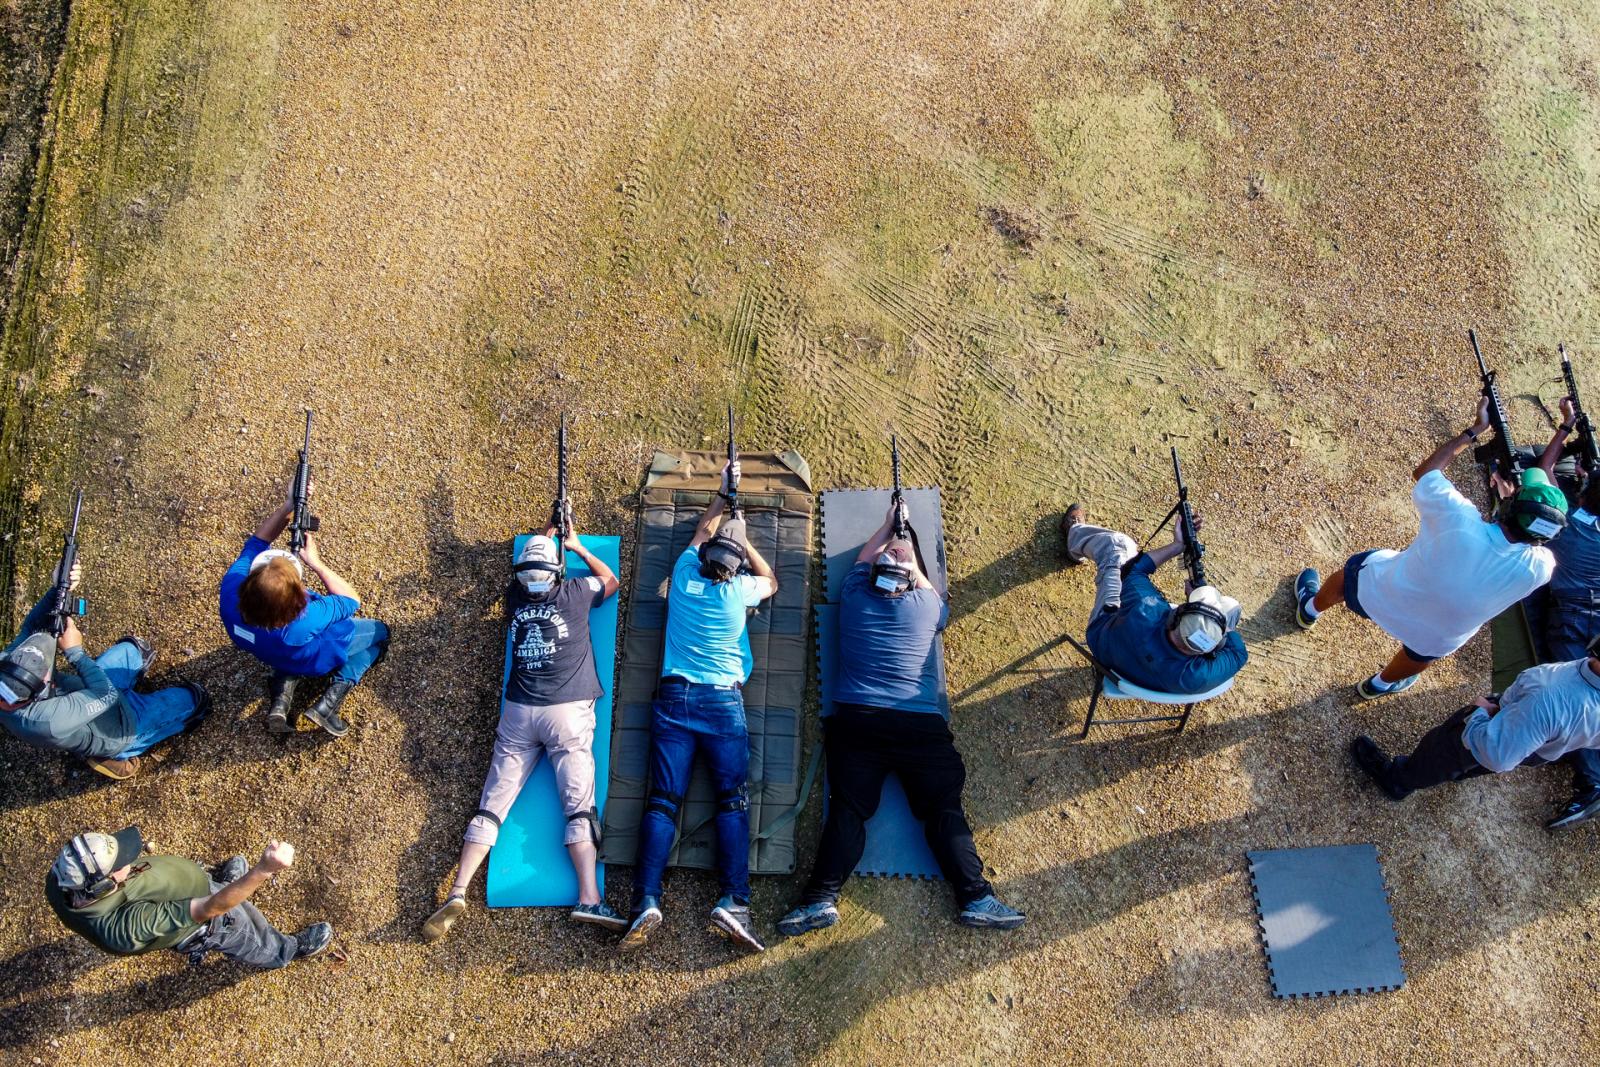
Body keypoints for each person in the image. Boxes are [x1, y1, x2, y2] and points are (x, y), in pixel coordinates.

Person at [777, 502, 1025, 938]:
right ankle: (975, 898)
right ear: (912, 581)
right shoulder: (926, 607)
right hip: (919, 727)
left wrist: (889, 528)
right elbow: (935, 595)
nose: (901, 552)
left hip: (857, 722)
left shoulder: (853, 596)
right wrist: (910, 552)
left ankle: (819, 899)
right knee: (943, 810)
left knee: (849, 811)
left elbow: (863, 559)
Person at [422, 522, 624, 941]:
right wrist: (577, 548)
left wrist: (547, 539)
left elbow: (529, 574)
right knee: (578, 808)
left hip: (518, 713)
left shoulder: (513, 598)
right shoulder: (575, 593)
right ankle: (589, 897)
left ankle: (458, 889)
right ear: (557, 571)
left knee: (491, 805)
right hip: (566, 714)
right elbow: (611, 581)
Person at [1294, 399, 1563, 699]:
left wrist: (1473, 431)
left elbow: (1425, 472)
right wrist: (1560, 433)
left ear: (1510, 503)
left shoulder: (1460, 519)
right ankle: (1377, 686)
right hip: (1435, 638)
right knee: (1423, 654)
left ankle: (1308, 609)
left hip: (1381, 593)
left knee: (1351, 574)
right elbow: (1544, 515)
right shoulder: (1541, 568)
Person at [621, 460, 776, 953]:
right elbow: (770, 579)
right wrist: (745, 537)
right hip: (722, 703)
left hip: (673, 696)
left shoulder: (684, 573)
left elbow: (699, 531)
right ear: (735, 569)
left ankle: (645, 898)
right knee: (731, 800)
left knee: (663, 801)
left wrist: (722, 498)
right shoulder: (739, 591)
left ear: (708, 553)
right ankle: (733, 900)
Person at [0, 561, 208, 780]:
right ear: (40, 691)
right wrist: (75, 653)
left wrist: (58, 588)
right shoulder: (46, 723)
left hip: (85, 692)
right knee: (195, 700)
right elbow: (106, 696)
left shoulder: (7, 666)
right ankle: (112, 756)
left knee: (135, 649)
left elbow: (31, 627)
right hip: (116, 727)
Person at [219, 482, 389, 736]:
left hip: (270, 652)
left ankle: (283, 691)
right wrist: (317, 564)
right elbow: (352, 598)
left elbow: (256, 542)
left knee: (287, 655)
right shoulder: (306, 619)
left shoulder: (230, 592)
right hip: (316, 657)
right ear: (299, 600)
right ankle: (328, 704)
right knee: (380, 634)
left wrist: (290, 504)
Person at [1349, 640, 1600, 811]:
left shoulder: (1551, 699)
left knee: (1445, 753)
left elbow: (1498, 756)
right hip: (1538, 741)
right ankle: (1453, 773)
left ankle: (1398, 780)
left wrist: (1480, 714)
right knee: (1468, 766)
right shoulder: (1567, 695)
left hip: (1499, 724)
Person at [45, 825, 333, 968]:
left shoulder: (61, 881)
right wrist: (263, 870)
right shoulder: (125, 928)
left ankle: (224, 883)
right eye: (120, 865)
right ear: (100, 887)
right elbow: (210, 907)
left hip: (188, 889)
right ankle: (286, 950)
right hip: (209, 919)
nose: (129, 862)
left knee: (214, 887)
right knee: (246, 930)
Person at [1057, 503, 1246, 694]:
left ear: (1174, 618)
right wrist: (1216, 621)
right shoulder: (1195, 677)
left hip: (1103, 643)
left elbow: (1132, 570)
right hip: (1139, 682)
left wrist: (1177, 546)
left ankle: (1075, 536)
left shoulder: (1144, 610)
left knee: (1118, 546)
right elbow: (1239, 653)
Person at [1519, 399, 1600, 829]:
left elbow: (1544, 467)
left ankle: (1592, 783)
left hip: (1572, 616)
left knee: (1578, 697)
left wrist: (1565, 427)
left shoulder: (1567, 523)